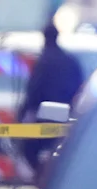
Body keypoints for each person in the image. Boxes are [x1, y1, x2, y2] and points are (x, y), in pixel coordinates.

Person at [18, 21, 85, 176]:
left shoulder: (44, 61)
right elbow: (81, 87)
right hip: (69, 116)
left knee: (29, 149)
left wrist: (23, 114)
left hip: (46, 116)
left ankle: (43, 179)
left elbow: (34, 90)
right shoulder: (70, 61)